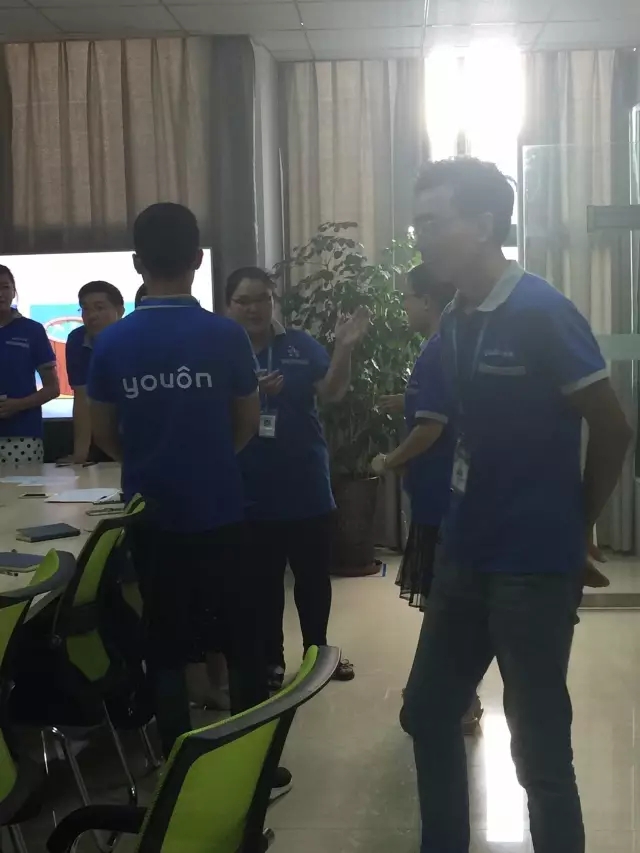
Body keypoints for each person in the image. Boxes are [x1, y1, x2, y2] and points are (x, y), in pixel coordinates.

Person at [402, 156, 632, 853]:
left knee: (539, 747)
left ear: (483, 223)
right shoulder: (455, 316)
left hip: (532, 564)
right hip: (465, 554)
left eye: (434, 221)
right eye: (417, 223)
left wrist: (576, 526)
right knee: (427, 712)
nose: (421, 236)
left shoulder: (541, 311)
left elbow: (613, 427)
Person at [87, 205, 273, 769]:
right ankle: (247, 760)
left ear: (136, 263)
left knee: (164, 640)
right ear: (197, 259)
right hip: (221, 508)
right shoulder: (226, 336)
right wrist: (207, 459)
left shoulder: (112, 342)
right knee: (240, 638)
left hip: (151, 514)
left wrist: (151, 460)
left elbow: (104, 434)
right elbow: (247, 422)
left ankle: (176, 760)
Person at [226, 266, 369, 689]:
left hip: (305, 482)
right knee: (264, 582)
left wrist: (343, 348)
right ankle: (271, 660)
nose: (255, 308)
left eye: (263, 299)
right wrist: (254, 393)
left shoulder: (300, 344)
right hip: (248, 486)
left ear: (274, 302)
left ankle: (317, 654)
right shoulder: (221, 350)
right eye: (244, 300)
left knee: (313, 577)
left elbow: (332, 391)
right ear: (228, 305)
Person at [373, 264, 483, 733]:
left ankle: (457, 700)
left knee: (446, 608)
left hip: (441, 501)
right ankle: (451, 694)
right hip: (438, 496)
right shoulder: (443, 347)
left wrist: (389, 460)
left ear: (426, 301)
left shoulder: (438, 349)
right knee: (444, 605)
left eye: (407, 298)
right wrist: (403, 401)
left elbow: (431, 429)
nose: (404, 307)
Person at [0, 265, 60, 464]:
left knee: (22, 485)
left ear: (14, 291)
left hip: (22, 437)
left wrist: (18, 405)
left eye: (5, 287)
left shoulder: (32, 330)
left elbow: (53, 388)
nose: (0, 294)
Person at [64, 281, 124, 464]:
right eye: (85, 309)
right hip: (101, 433)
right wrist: (80, 453)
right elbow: (82, 397)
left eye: (99, 308)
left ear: (120, 311)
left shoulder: (135, 337)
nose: (91, 315)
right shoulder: (77, 340)